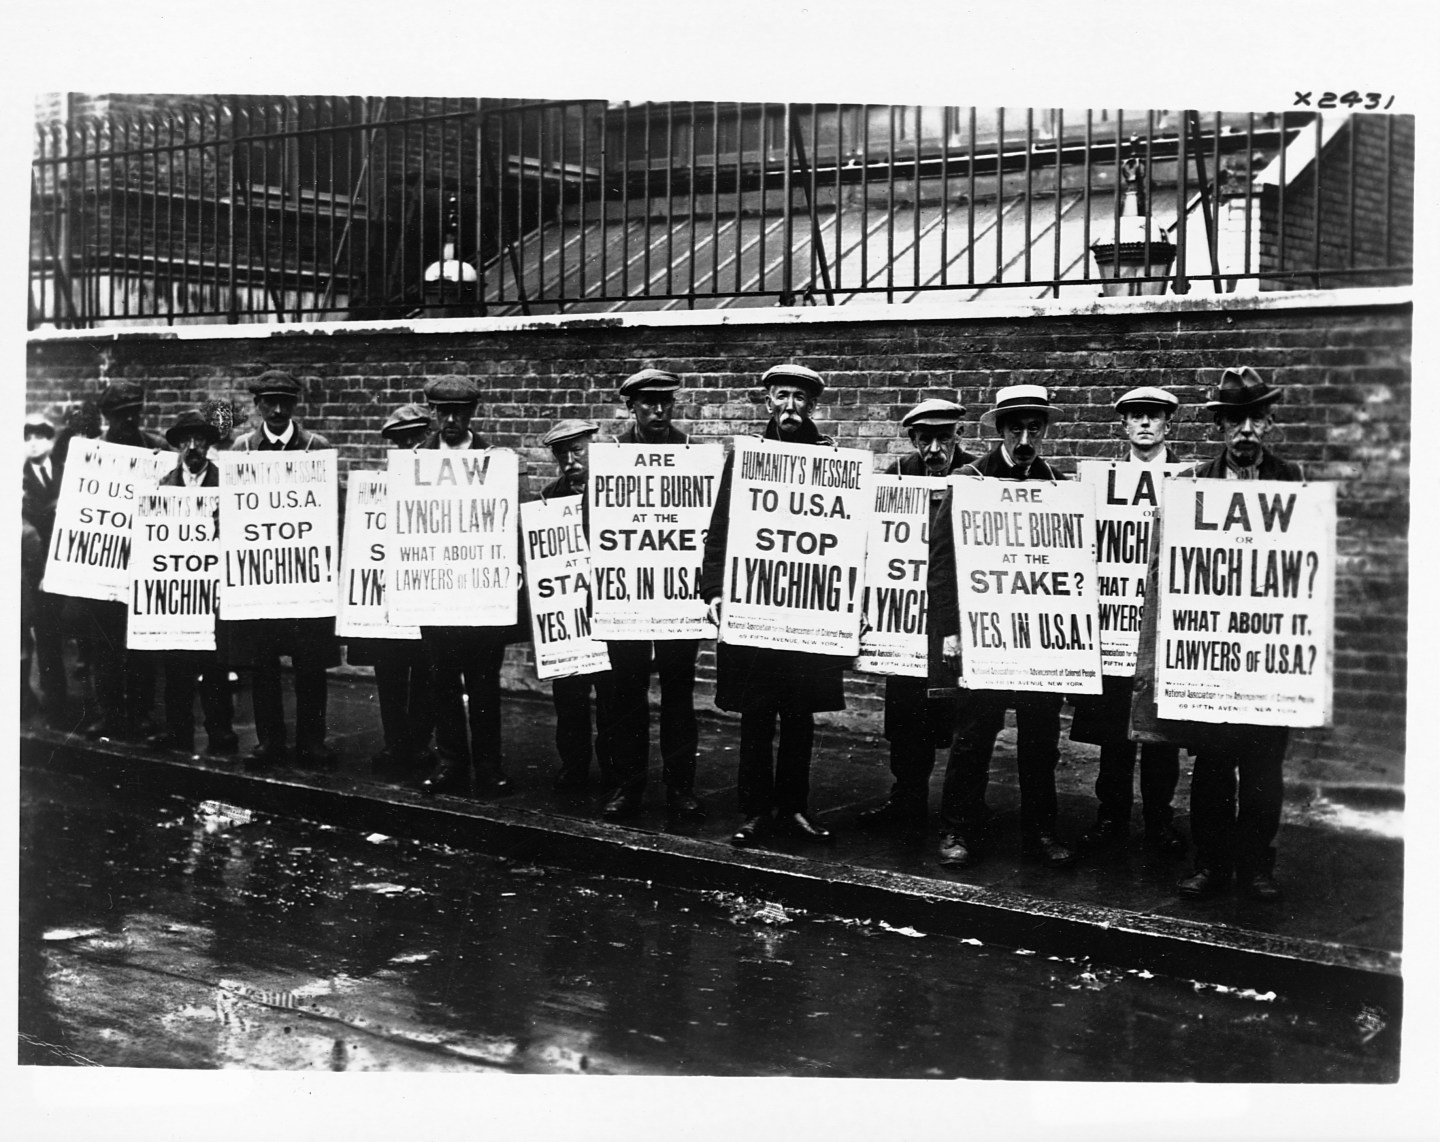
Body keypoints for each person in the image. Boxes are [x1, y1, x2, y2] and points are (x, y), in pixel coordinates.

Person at [1148, 366, 1305, 902]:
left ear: (1268, 422)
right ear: (1220, 427)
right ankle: (1210, 862)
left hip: (1266, 653)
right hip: (1212, 658)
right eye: (1234, 420)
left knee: (1264, 770)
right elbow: (1168, 570)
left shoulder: (1293, 482)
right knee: (1213, 768)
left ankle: (1258, 865)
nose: (1244, 431)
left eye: (1254, 419)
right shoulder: (1192, 486)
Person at [926, 384, 1078, 870]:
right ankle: (957, 830)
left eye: (1035, 428)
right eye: (1016, 428)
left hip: (1036, 638)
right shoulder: (970, 480)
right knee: (973, 737)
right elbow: (942, 563)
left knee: (1040, 742)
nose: (1025, 437)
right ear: (1000, 431)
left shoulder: (1059, 485)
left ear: (1045, 431)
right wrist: (950, 630)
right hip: (984, 632)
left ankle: (1040, 833)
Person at [700, 363, 847, 848]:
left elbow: (846, 536)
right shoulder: (746, 458)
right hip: (756, 607)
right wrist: (716, 590)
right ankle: (755, 811)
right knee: (758, 715)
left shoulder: (830, 461)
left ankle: (795, 807)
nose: (790, 407)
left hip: (806, 610)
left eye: (800, 399)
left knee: (800, 716)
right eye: (782, 396)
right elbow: (720, 527)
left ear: (813, 406)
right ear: (767, 401)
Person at [1070, 386, 1186, 855]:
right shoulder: (1100, 482)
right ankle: (1111, 816)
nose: (1144, 424)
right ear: (1122, 425)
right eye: (1135, 416)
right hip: (1115, 625)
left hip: (1160, 627)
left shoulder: (1187, 479)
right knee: (1116, 735)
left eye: (1153, 417)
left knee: (1161, 738)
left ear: (1167, 425)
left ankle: (1159, 820)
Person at [857, 398, 976, 832]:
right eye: (924, 439)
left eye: (944, 438)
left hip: (953, 619)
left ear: (958, 437)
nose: (934, 449)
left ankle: (961, 810)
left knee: (959, 718)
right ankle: (906, 798)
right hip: (905, 615)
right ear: (912, 439)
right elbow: (870, 537)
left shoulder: (975, 475)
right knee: (906, 717)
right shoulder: (897, 475)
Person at [601, 368, 705, 821]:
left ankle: (680, 789)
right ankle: (628, 787)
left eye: (666, 402)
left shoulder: (693, 455)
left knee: (679, 697)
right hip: (627, 596)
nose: (659, 411)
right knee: (627, 697)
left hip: (678, 598)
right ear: (631, 407)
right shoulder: (612, 457)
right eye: (648, 403)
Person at [229, 370, 339, 769]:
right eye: (269, 401)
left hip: (305, 580)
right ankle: (269, 741)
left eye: (286, 402)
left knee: (311, 665)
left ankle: (313, 741)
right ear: (256, 405)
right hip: (260, 580)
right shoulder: (240, 451)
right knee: (263, 666)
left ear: (296, 405)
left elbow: (330, 511)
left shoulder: (315, 447)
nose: (277, 409)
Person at [416, 377, 520, 797]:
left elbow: (508, 515)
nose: (452, 420)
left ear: (473, 413)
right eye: (444, 412)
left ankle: (490, 766)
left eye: (460, 412)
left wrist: (511, 565)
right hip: (437, 592)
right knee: (442, 682)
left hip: (481, 592)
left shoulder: (494, 459)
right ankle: (452, 763)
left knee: (483, 684)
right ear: (434, 413)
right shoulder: (417, 460)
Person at [347, 404, 437, 780]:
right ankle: (394, 741)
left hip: (429, 596)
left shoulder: (444, 482)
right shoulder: (380, 485)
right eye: (401, 441)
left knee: (428, 674)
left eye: (417, 438)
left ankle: (419, 742)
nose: (410, 447)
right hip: (391, 599)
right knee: (390, 673)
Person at [76, 380, 168, 740]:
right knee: (105, 646)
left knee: (141, 647)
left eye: (134, 413)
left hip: (144, 563)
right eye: (121, 415)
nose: (129, 420)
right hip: (105, 564)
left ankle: (142, 713)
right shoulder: (92, 453)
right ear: (106, 416)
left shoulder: (156, 448)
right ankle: (109, 713)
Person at [145, 409, 239, 756]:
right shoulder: (164, 486)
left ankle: (221, 733)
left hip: (213, 588)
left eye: (200, 440)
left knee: (215, 666)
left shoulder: (227, 485)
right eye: (186, 441)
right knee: (176, 667)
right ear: (178, 446)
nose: (193, 447)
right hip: (178, 589)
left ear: (209, 445)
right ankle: (177, 731)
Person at [536, 418, 616, 800]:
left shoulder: (615, 489)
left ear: (593, 447)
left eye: (577, 450)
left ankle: (614, 769)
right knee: (568, 696)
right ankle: (573, 766)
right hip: (568, 610)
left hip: (605, 607)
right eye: (561, 454)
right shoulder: (549, 496)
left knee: (612, 697)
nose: (570, 460)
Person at [22, 413, 68, 726]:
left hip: (67, 564)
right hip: (35, 570)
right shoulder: (17, 480)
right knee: (46, 637)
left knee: (79, 635)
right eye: (28, 437)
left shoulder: (67, 474)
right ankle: (56, 704)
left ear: (51, 440)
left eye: (40, 436)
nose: (34, 442)